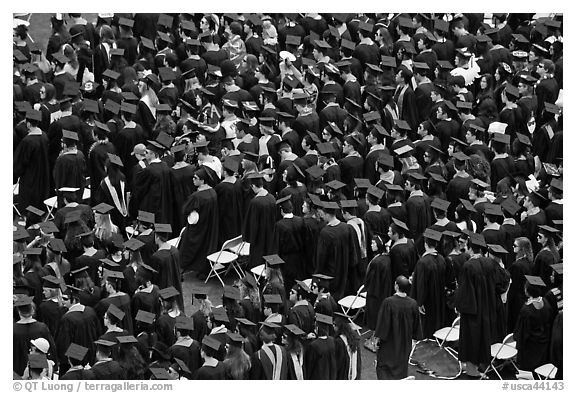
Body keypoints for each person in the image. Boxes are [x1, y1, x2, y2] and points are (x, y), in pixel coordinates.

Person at [374, 275, 420, 379]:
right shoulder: (413, 304)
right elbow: (416, 326)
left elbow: (383, 324)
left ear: (396, 286)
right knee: (401, 370)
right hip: (404, 344)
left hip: (389, 344)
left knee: (384, 370)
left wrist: (377, 339)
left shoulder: (388, 302)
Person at [178, 166, 219, 279]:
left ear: (203, 180)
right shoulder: (213, 192)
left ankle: (181, 269)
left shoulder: (196, 196)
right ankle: (203, 270)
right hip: (209, 227)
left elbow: (185, 210)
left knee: (187, 247)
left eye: (196, 178)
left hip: (197, 227)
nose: (193, 180)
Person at [514, 276, 552, 372]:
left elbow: (521, 334)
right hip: (543, 345)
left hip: (529, 348)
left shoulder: (526, 310)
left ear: (528, 291)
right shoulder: (546, 302)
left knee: (528, 372)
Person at [242, 173, 277, 268]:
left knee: (257, 259)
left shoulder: (255, 202)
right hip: (270, 234)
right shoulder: (272, 197)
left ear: (253, 186)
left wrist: (249, 237)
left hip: (259, 237)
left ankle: (255, 279)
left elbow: (252, 223)